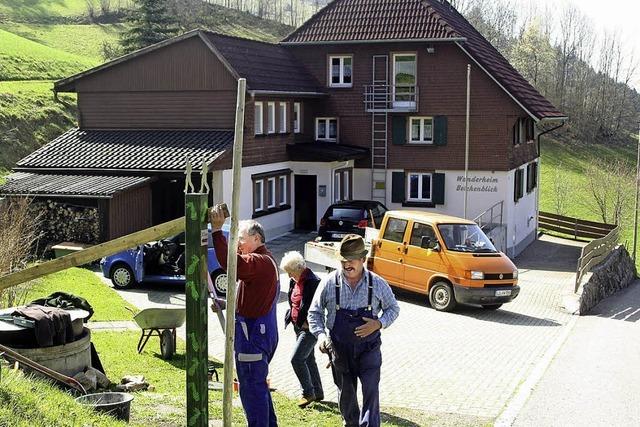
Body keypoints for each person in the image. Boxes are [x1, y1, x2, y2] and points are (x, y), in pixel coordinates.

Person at [308, 234, 400, 427]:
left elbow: (393, 308)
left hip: (369, 350)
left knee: (371, 391)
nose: (346, 264)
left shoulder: (377, 283)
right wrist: (321, 336)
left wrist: (379, 323)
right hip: (340, 351)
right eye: (343, 260)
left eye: (351, 260)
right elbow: (314, 313)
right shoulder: (329, 283)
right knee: (347, 396)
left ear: (363, 260)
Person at [209, 205, 279, 427]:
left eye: (240, 239)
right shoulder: (263, 263)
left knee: (251, 391)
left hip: (253, 339)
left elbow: (232, 264)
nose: (236, 244)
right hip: (257, 334)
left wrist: (217, 232)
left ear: (257, 239)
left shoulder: (260, 262)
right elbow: (250, 298)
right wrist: (226, 304)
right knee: (258, 388)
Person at [279, 251, 324, 408]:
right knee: (308, 358)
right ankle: (318, 392)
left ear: (298, 268)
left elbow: (314, 307)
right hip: (298, 327)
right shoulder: (294, 280)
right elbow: (294, 301)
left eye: (290, 271)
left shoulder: (313, 282)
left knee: (297, 359)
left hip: (310, 328)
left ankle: (308, 393)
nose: (289, 275)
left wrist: (306, 322)